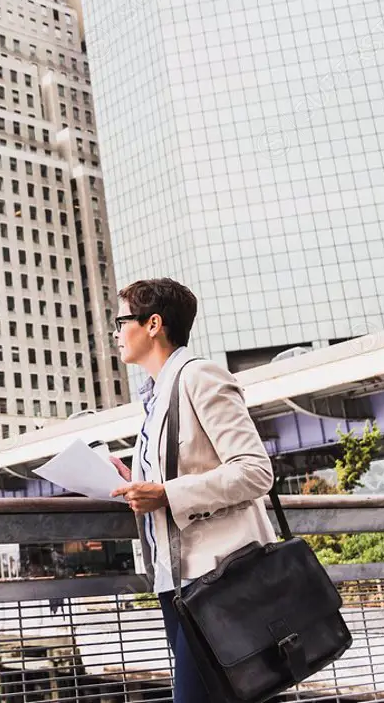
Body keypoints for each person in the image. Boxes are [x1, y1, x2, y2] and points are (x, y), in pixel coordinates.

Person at [109, 277, 277, 703]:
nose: (115, 332)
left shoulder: (198, 376)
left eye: (120, 320)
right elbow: (184, 467)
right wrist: (135, 481)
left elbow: (255, 471)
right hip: (176, 579)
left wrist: (166, 494)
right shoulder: (154, 397)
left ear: (153, 324)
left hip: (218, 575)